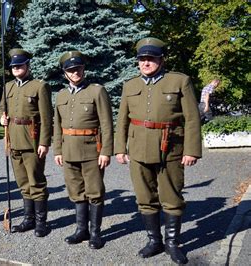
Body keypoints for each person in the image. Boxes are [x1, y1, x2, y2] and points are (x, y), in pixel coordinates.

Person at [114, 37, 202, 264]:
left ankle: (172, 243)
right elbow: (122, 120)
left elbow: (192, 119)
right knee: (145, 197)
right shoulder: (130, 85)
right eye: (142, 59)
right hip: (138, 149)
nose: (146, 63)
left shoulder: (179, 82)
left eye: (151, 58)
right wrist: (119, 148)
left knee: (172, 197)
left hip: (170, 148)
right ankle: (154, 241)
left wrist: (191, 150)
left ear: (161, 60)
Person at [53, 51, 114, 249]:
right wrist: (57, 151)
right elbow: (57, 125)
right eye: (70, 70)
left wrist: (106, 151)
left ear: (83, 69)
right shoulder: (61, 95)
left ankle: (96, 233)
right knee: (76, 192)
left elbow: (106, 123)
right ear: (65, 74)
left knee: (94, 192)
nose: (75, 72)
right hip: (68, 151)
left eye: (78, 68)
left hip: (91, 151)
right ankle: (81, 230)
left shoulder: (96, 91)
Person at [0, 48, 53, 237]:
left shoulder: (39, 86)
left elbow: (47, 118)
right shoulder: (8, 87)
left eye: (20, 65)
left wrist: (44, 142)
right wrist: (1, 118)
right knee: (23, 183)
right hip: (13, 141)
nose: (16, 68)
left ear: (28, 66)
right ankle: (28, 219)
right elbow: (1, 109)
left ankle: (41, 223)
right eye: (13, 66)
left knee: (36, 182)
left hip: (32, 140)